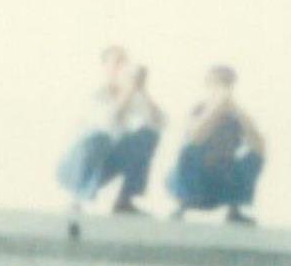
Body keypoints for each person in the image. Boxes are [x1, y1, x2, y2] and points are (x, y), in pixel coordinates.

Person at [62, 47, 166, 214]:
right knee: (99, 139)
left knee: (147, 136)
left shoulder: (133, 95)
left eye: (125, 62)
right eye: (118, 62)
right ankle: (77, 198)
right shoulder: (95, 93)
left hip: (104, 163)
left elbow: (160, 124)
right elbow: (106, 123)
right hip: (76, 166)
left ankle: (125, 200)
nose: (123, 67)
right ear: (105, 67)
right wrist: (128, 92)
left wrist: (143, 91)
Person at [168, 66, 265, 223]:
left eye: (227, 83)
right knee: (188, 150)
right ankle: (184, 203)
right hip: (197, 182)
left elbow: (259, 147)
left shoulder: (236, 116)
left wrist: (238, 112)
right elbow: (194, 137)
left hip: (222, 182)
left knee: (254, 156)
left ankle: (234, 208)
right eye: (217, 83)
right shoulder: (198, 110)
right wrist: (215, 109)